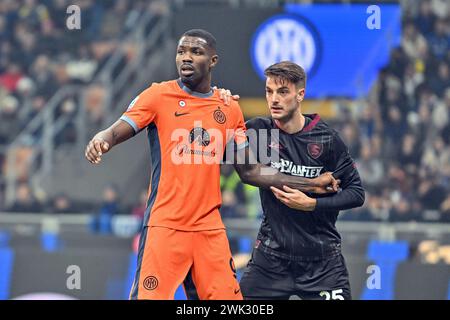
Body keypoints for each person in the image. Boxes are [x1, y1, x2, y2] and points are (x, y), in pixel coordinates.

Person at [84, 30, 338, 300]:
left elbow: (251, 170)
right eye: (182, 51)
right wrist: (102, 139)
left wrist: (310, 184)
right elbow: (116, 129)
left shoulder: (228, 108)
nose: (186, 57)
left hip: (209, 230)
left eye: (196, 52)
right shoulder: (157, 95)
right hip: (165, 227)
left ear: (213, 60)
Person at [239, 61, 365, 300]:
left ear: (300, 95)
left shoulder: (327, 139)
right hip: (270, 261)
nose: (274, 99)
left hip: (322, 262)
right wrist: (219, 100)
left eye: (283, 92)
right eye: (269, 91)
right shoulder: (258, 131)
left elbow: (357, 193)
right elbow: (239, 164)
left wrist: (313, 204)